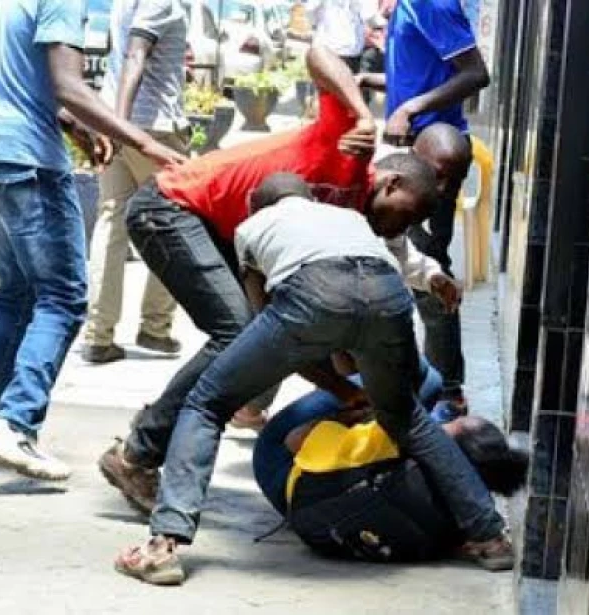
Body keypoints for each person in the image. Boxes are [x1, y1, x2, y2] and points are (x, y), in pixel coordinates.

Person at [112, 164, 511, 585]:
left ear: (257, 205)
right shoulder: (349, 217)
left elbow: (264, 325)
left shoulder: (251, 228)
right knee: (409, 420)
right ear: (310, 198)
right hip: (387, 292)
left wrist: (330, 384)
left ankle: (163, 546)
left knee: (206, 403)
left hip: (314, 291)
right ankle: (490, 537)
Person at [97, 46, 457, 511]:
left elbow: (289, 331)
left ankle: (153, 436)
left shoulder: (349, 227)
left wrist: (345, 389)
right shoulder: (350, 151)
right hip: (172, 207)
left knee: (262, 334)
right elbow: (319, 54)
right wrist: (363, 115)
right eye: (405, 215)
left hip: (221, 230)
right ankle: (137, 455)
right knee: (235, 334)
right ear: (391, 184)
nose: (397, 229)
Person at [0, 0, 186, 480]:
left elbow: (30, 79)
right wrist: (144, 142)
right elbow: (68, 84)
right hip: (26, 160)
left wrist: (76, 128)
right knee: (64, 297)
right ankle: (16, 424)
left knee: (15, 294)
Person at [358, 0, 490, 418]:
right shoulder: (404, 8)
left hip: (434, 156)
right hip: (409, 152)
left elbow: (476, 73)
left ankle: (448, 393)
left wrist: (411, 108)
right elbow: (422, 75)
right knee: (403, 258)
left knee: (428, 269)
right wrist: (370, 81)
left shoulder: (429, 2)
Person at [254, 388, 527, 565]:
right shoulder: (460, 521)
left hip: (285, 482)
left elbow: (294, 440)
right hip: (330, 527)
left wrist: (347, 418)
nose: (438, 425)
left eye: (447, 424)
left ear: (447, 454)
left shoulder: (393, 441)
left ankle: (250, 411)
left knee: (425, 379)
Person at [82, 0, 187, 364]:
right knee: (175, 222)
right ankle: (155, 327)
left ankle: (98, 334)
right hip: (153, 129)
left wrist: (112, 125)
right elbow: (135, 55)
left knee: (111, 221)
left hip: (116, 118)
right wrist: (121, 129)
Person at [304, 0, 370, 72]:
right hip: (350, 48)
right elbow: (369, 16)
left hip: (328, 47)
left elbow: (309, 12)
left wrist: (317, 25)